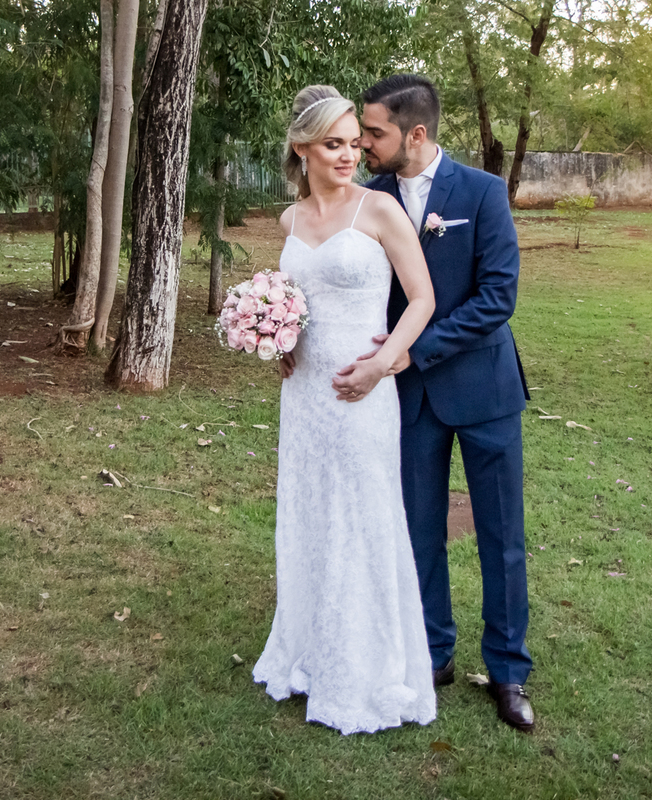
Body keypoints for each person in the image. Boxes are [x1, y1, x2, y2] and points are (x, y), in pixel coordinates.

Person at [338, 74, 536, 733]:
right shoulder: (370, 199)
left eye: (374, 132)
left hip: (483, 392)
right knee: (418, 530)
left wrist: (411, 351)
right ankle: (432, 652)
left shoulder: (481, 194)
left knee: (502, 537)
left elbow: (496, 298)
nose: (363, 142)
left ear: (414, 135)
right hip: (410, 399)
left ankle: (508, 670)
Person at [251, 85, 437, 735]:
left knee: (362, 519)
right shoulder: (290, 221)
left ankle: (365, 667)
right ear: (302, 148)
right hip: (304, 396)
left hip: (362, 394)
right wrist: (278, 338)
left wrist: (383, 364)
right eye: (334, 144)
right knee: (310, 516)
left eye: (355, 142)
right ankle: (308, 654)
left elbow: (421, 301)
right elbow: (294, 298)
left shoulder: (379, 210)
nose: (349, 154)